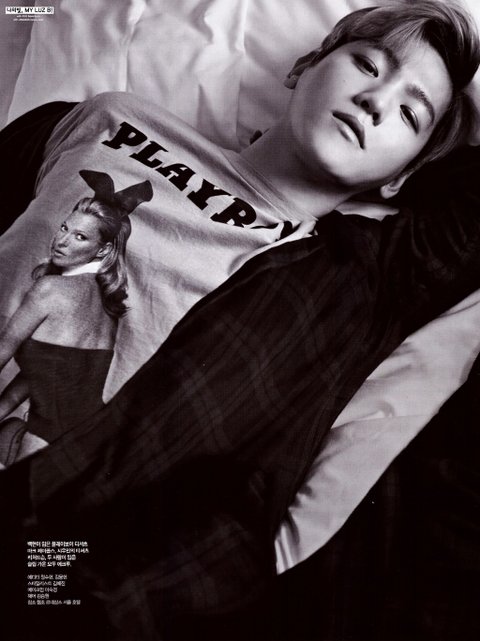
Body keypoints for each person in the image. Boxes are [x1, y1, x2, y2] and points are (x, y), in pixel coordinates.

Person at [0, 2, 480, 640]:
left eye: (410, 113)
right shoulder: (112, 117)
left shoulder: (358, 276)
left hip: (56, 544)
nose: (375, 100)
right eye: (368, 64)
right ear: (303, 69)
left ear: (403, 176)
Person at [0, 169, 153, 462]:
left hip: (48, 438)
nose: (62, 241)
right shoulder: (108, 308)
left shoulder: (51, 289)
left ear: (102, 250)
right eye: (64, 228)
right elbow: (39, 375)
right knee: (8, 432)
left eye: (80, 237)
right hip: (91, 439)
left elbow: (2, 351)